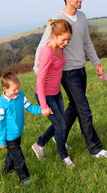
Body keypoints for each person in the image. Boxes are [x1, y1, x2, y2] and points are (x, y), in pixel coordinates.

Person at [33, 0, 107, 158]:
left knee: (74, 108)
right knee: (84, 110)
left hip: (81, 69)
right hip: (67, 73)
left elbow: (87, 42)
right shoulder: (58, 20)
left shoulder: (82, 17)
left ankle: (43, 141)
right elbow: (42, 46)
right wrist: (39, 71)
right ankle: (95, 149)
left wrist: (96, 62)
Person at [31, 19, 75, 167]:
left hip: (56, 92)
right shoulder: (47, 52)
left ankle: (40, 143)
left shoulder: (60, 48)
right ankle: (64, 156)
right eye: (64, 39)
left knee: (60, 124)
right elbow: (40, 80)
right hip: (46, 95)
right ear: (54, 36)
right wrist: (43, 105)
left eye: (68, 39)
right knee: (61, 126)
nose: (66, 43)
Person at [0, 72, 51, 184]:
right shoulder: (1, 105)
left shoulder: (20, 96)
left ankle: (7, 170)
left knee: (11, 154)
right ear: (5, 89)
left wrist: (42, 110)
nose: (17, 92)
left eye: (18, 88)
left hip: (18, 133)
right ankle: (24, 178)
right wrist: (1, 140)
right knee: (19, 158)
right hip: (9, 136)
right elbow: (0, 125)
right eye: (14, 90)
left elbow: (29, 107)